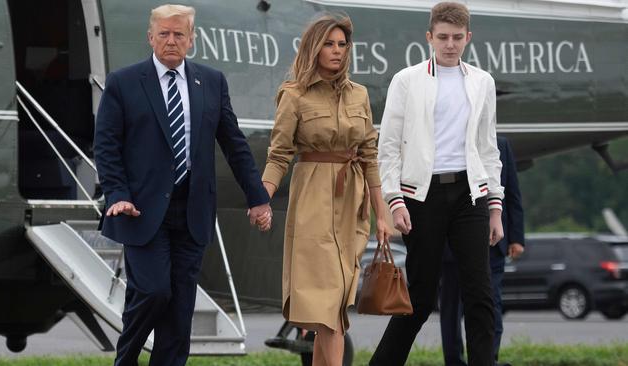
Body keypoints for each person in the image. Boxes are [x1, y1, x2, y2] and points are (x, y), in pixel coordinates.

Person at [93, 4, 271, 366]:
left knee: (179, 310)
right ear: (151, 37)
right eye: (164, 34)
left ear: (191, 39)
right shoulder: (124, 82)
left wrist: (258, 197)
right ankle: (125, 359)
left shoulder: (212, 81)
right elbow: (106, 146)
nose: (171, 41)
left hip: (192, 210)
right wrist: (117, 194)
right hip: (141, 210)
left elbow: (234, 144)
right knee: (155, 291)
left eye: (179, 35)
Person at [371, 2, 505, 365]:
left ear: (468, 38)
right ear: (429, 37)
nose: (450, 44)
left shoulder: (482, 82)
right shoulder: (407, 80)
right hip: (422, 196)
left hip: (470, 196)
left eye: (457, 38)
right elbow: (388, 148)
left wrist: (495, 208)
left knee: (480, 294)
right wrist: (394, 201)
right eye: (443, 37)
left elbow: (487, 148)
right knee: (420, 296)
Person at [261, 14, 391, 366]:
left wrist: (383, 214)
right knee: (330, 311)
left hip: (354, 204)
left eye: (342, 44)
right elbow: (279, 155)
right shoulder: (293, 95)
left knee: (332, 313)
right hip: (313, 203)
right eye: (329, 44)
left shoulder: (360, 94)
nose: (337, 51)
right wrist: (262, 199)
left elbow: (369, 156)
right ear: (313, 48)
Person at [440, 136, 525, 366]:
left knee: (492, 304)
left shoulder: (502, 144)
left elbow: (512, 192)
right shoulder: (449, 140)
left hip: (492, 244)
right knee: (451, 307)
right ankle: (454, 360)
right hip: (453, 246)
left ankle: (489, 359)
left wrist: (517, 238)